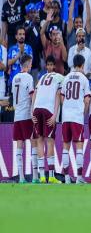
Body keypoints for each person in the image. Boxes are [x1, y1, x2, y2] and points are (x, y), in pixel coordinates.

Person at [31, 58, 64, 183]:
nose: (49, 67)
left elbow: (35, 93)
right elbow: (58, 95)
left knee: (39, 140)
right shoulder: (60, 77)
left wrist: (32, 110)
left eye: (51, 65)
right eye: (48, 65)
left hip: (37, 109)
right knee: (50, 142)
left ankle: (41, 177)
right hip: (48, 110)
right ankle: (50, 176)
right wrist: (55, 115)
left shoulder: (42, 77)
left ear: (53, 66)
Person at [60, 54, 91, 184]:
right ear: (82, 65)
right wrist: (83, 112)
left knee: (65, 147)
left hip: (66, 116)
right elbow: (87, 99)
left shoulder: (66, 78)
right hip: (77, 116)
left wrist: (67, 107)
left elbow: (62, 97)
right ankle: (78, 177)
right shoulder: (84, 79)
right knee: (79, 146)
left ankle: (67, 178)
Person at [12, 54, 35, 183]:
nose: (31, 65)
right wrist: (34, 111)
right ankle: (36, 176)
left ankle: (21, 177)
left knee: (19, 145)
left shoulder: (15, 78)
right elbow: (32, 95)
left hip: (17, 116)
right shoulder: (28, 77)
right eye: (31, 63)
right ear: (28, 63)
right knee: (34, 143)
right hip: (26, 114)